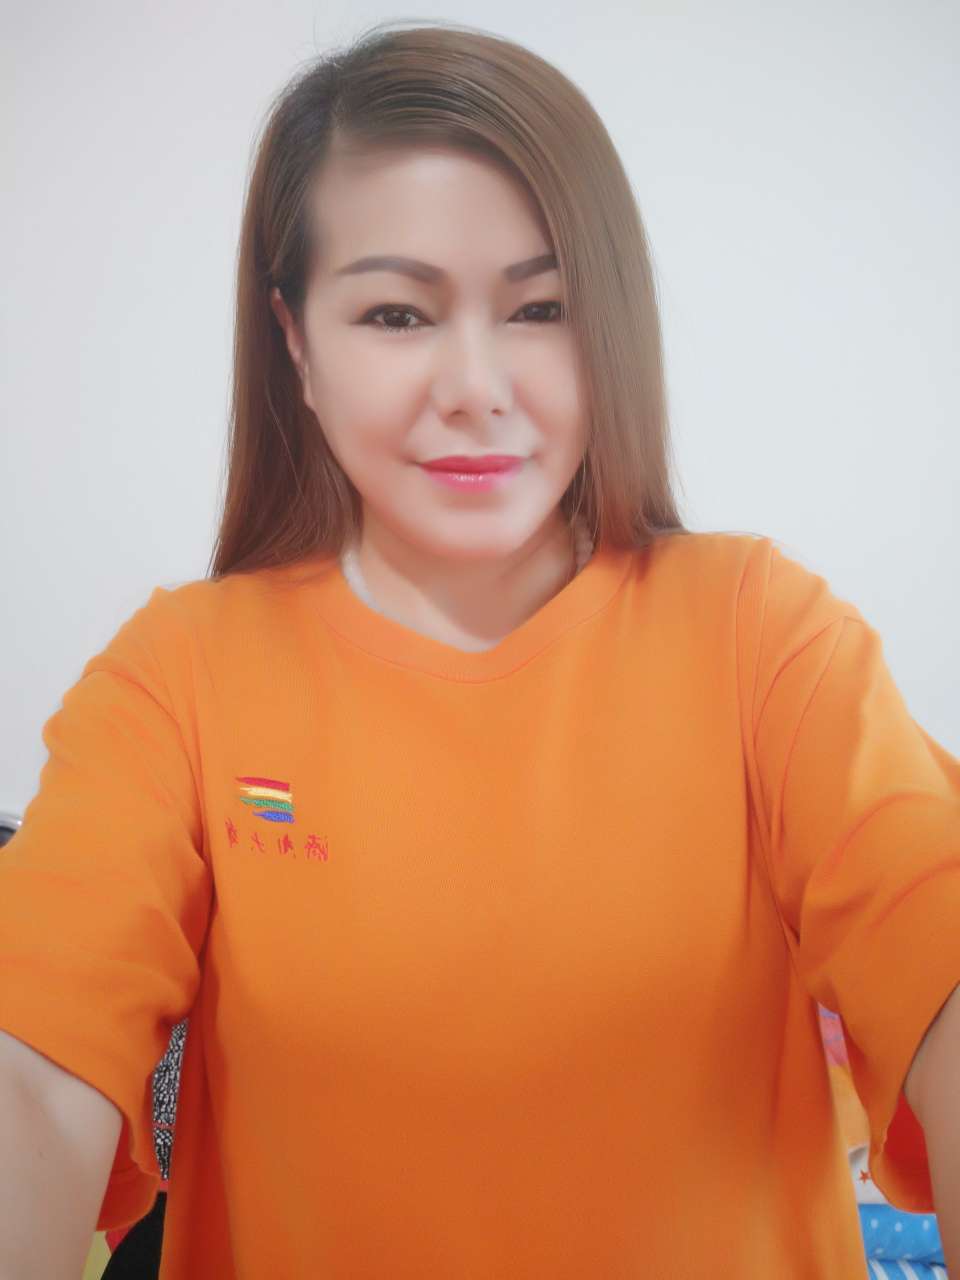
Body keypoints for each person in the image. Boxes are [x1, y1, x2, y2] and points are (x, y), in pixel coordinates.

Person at [2, 18, 959, 1279]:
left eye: (541, 307)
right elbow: (33, 1064)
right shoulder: (180, 672)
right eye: (397, 313)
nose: (475, 385)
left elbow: (931, 928)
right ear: (295, 342)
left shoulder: (761, 634)